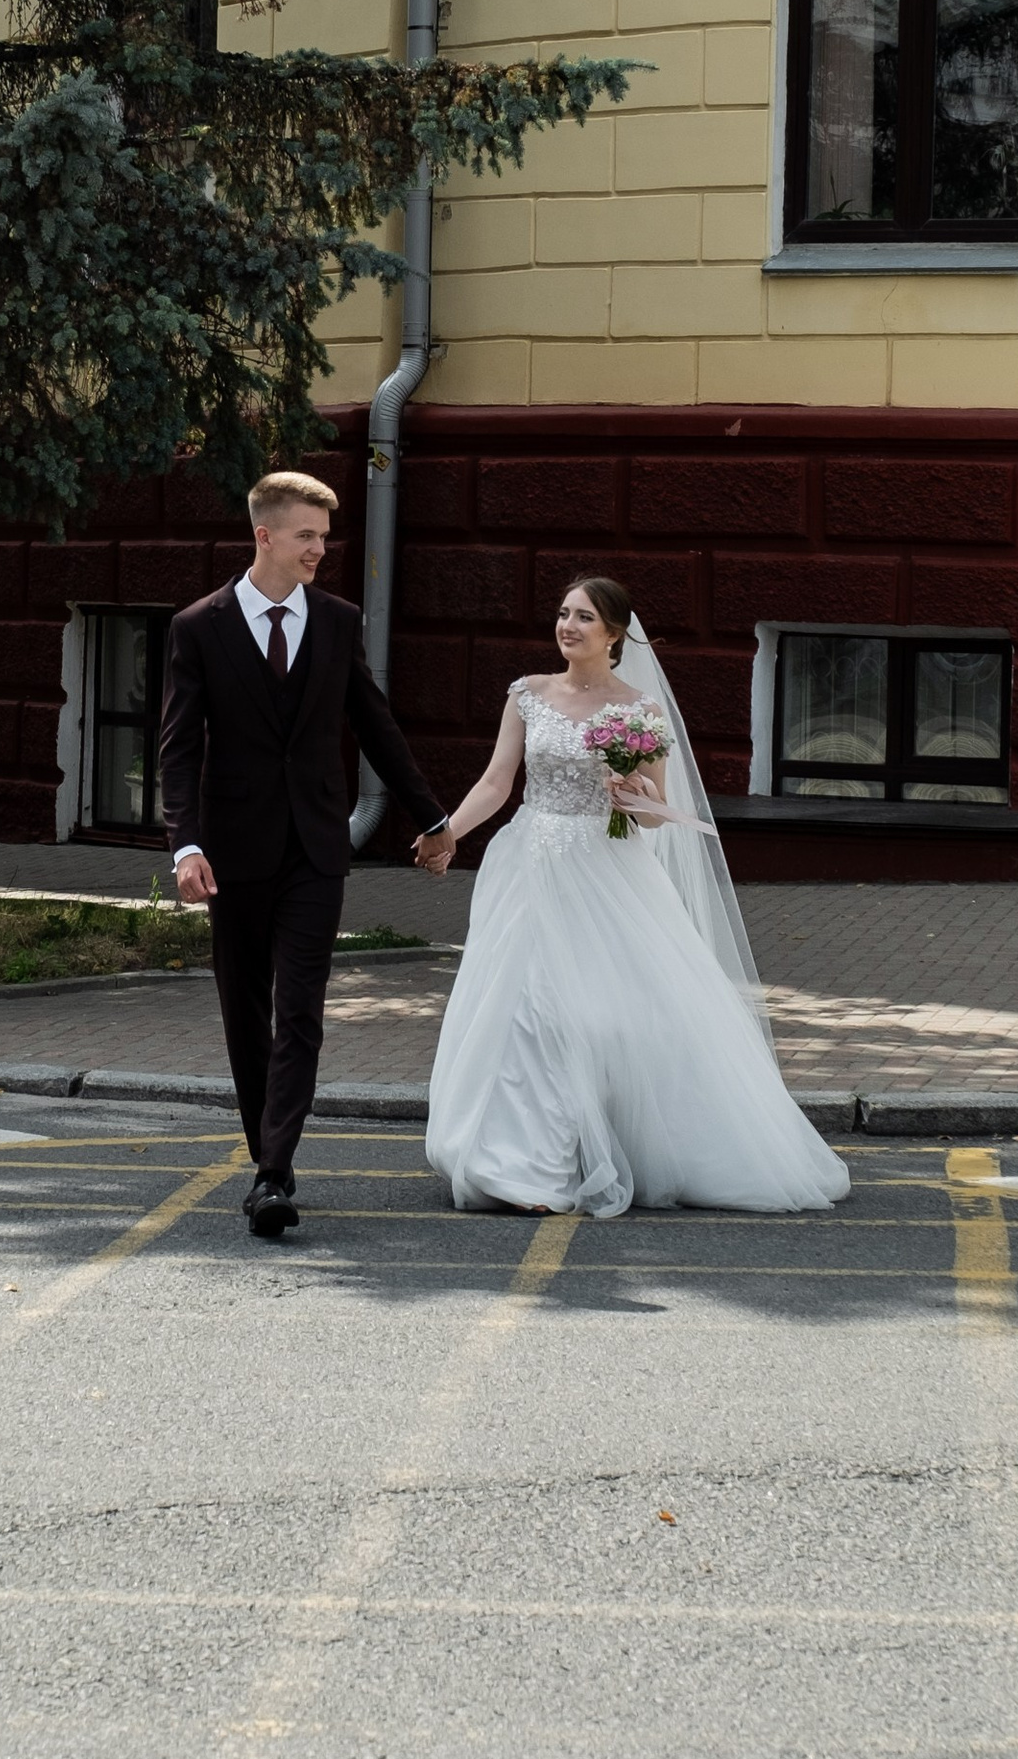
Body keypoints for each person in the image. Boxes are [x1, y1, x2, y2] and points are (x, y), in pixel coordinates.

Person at [424, 574, 849, 1220]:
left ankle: (597, 1148)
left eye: (584, 618)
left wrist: (632, 791)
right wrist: (447, 832)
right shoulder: (528, 695)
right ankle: (521, 1166)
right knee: (526, 1011)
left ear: (615, 634)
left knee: (601, 1017)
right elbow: (495, 781)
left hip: (605, 869)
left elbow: (655, 816)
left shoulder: (638, 711)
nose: (568, 626)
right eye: (564, 614)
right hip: (531, 865)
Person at [158, 472, 456, 1240]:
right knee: (243, 1012)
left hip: (316, 850)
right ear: (265, 536)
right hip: (232, 853)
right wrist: (185, 844)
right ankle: (270, 1157)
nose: (321, 549)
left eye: (325, 537)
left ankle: (272, 1172)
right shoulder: (200, 626)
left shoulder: (336, 621)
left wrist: (434, 821)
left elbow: (377, 727)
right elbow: (178, 748)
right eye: (307, 536)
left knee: (301, 1011)